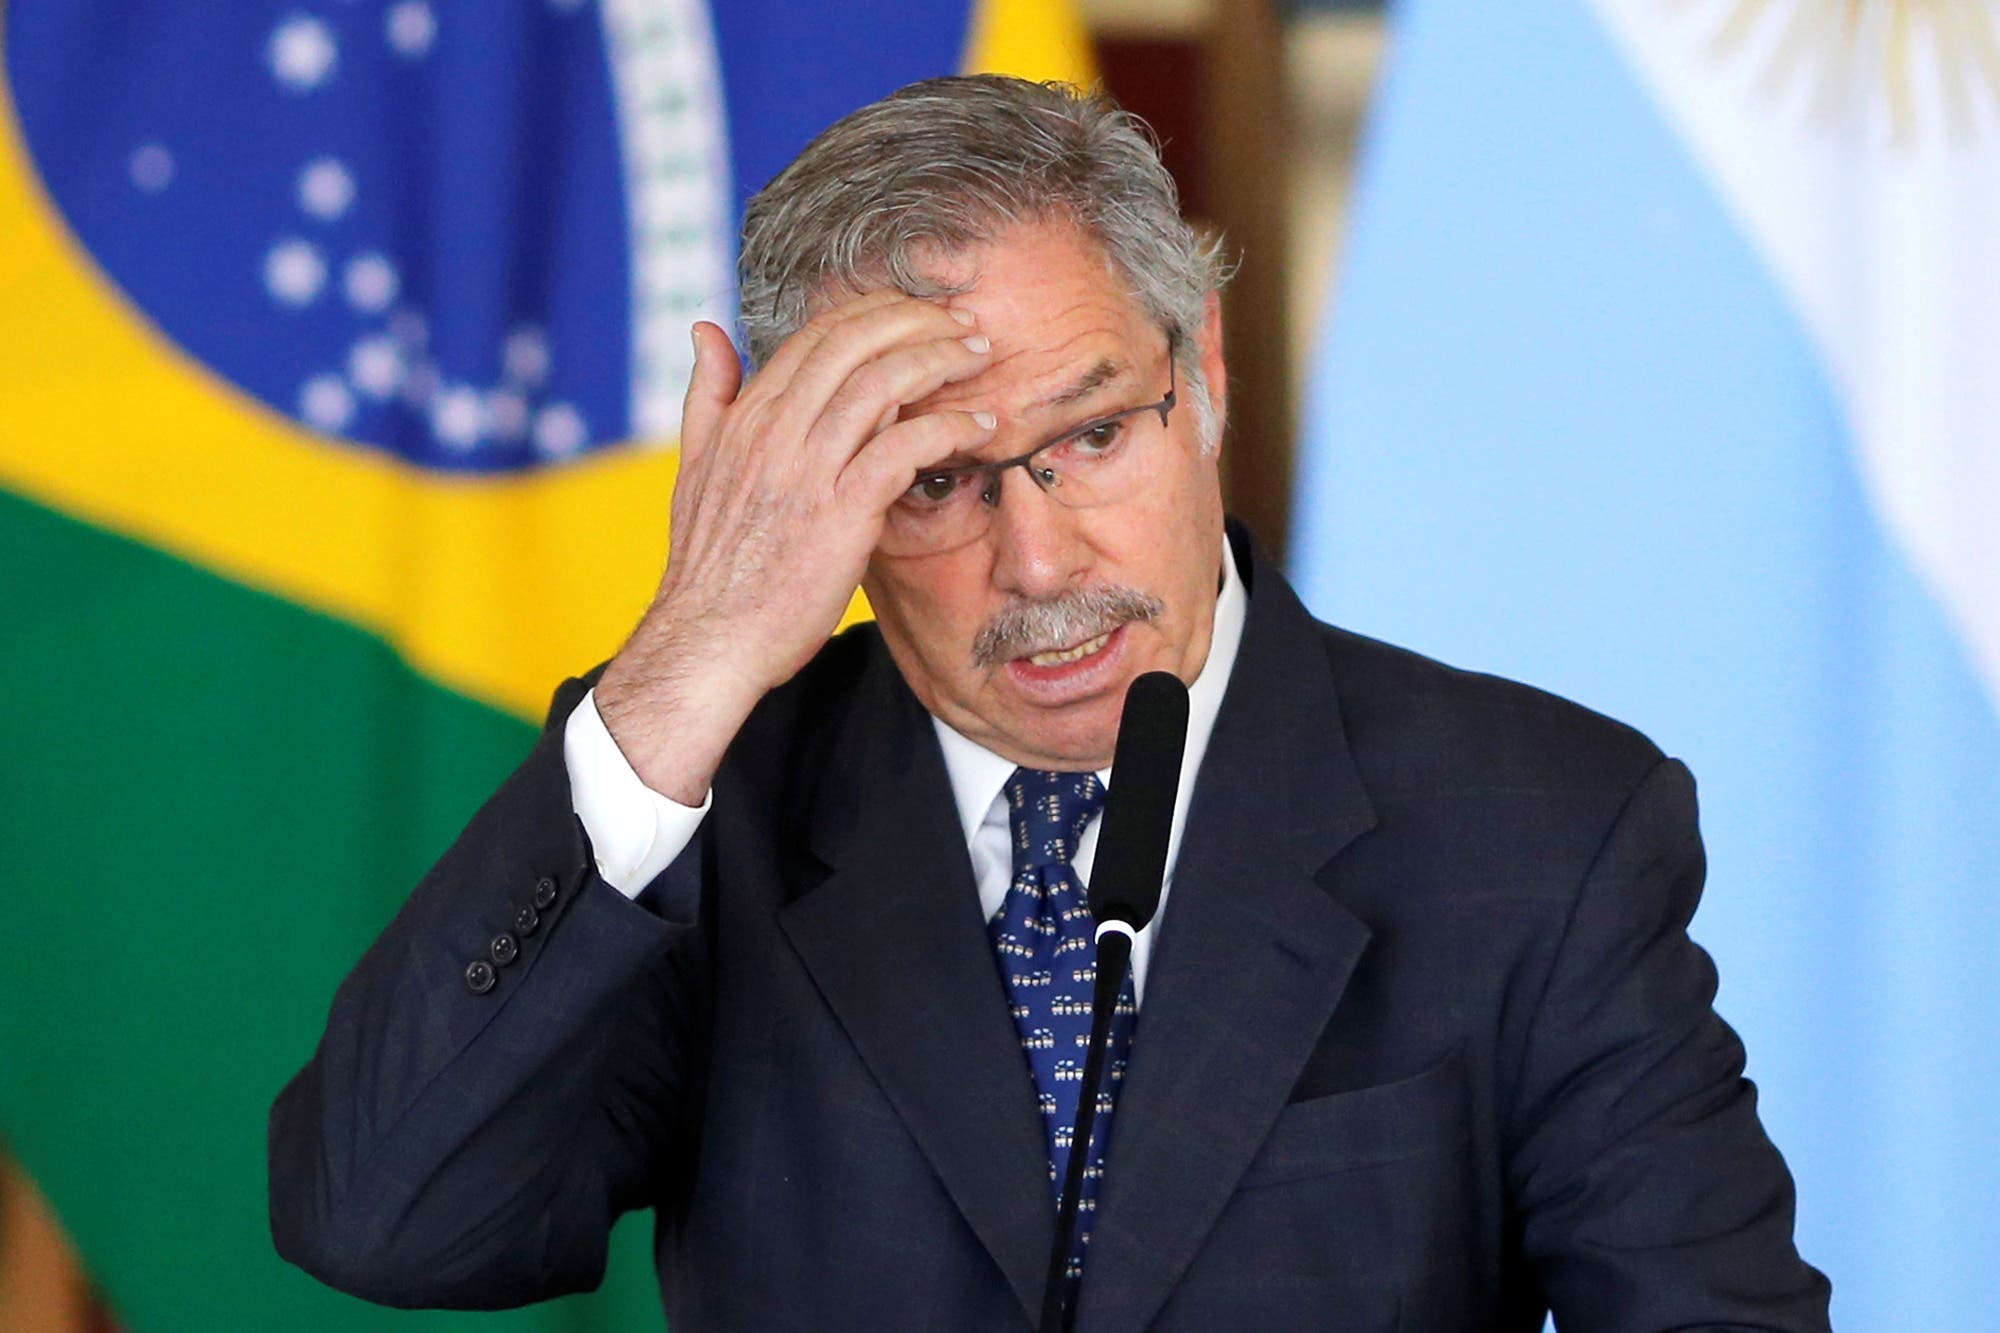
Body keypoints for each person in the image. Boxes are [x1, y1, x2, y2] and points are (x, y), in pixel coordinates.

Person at [269, 75, 1831, 1330]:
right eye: (932, 480)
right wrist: (688, 658)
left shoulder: (1542, 828)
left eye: (1091, 436)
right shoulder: (710, 813)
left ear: (1200, 373)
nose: (1038, 560)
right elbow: (381, 1218)